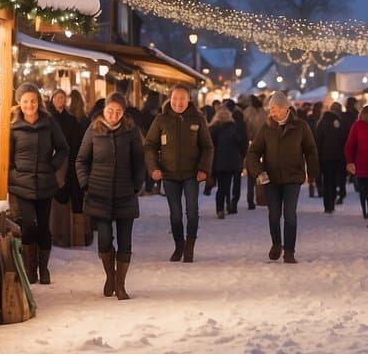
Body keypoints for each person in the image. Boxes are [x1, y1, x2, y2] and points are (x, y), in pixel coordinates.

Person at [77, 92, 146, 299]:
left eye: (118, 111)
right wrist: (86, 183)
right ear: (104, 110)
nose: (114, 114)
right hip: (99, 194)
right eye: (110, 110)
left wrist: (136, 184)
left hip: (126, 193)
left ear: (123, 112)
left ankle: (121, 284)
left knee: (125, 241)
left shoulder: (131, 131)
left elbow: (139, 161)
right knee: (105, 240)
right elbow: (81, 159)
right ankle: (110, 275)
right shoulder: (94, 129)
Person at [245, 91, 320, 262]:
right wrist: (259, 171)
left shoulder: (300, 127)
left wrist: (313, 173)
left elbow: (311, 150)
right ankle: (276, 244)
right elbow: (253, 152)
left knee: (290, 213)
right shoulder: (266, 128)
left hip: (293, 177)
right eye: (270, 108)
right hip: (271, 178)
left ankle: (289, 251)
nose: (272, 112)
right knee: (274, 214)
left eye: (275, 108)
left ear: (286, 108)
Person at [7, 83, 69, 285]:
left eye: (33, 101)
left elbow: (62, 148)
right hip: (21, 184)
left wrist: (52, 166)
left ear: (38, 102)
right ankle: (30, 268)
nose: (29, 105)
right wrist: (12, 172)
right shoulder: (13, 126)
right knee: (27, 226)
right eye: (25, 101)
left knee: (43, 226)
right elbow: (7, 155)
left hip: (44, 182)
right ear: (19, 103)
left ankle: (44, 268)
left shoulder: (49, 123)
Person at [144, 85, 214, 263]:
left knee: (192, 211)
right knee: (175, 214)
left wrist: (204, 169)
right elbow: (150, 145)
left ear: (188, 100)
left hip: (192, 174)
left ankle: (189, 247)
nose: (178, 103)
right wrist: (154, 168)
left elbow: (207, 147)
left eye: (182, 99)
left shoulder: (197, 118)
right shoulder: (161, 119)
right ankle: (179, 245)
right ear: (170, 99)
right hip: (169, 174)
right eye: (175, 98)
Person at [51, 89, 87, 218]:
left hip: (70, 158)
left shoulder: (71, 120)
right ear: (53, 99)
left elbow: (77, 140)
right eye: (57, 97)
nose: (60, 100)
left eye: (62, 97)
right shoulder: (49, 118)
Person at [208, 104, 246, 218]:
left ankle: (220, 208)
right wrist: (241, 156)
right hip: (232, 161)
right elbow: (241, 144)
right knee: (228, 184)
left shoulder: (213, 129)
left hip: (218, 161)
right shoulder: (234, 128)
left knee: (221, 186)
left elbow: (209, 147)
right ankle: (229, 203)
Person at [312, 101, 348, 214]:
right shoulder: (339, 123)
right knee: (336, 180)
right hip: (338, 156)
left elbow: (317, 141)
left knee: (327, 181)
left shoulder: (321, 123)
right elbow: (344, 139)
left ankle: (328, 205)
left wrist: (317, 156)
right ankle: (335, 198)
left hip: (325, 157)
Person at [241, 94, 267, 209]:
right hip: (264, 146)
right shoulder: (264, 113)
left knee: (251, 175)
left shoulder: (247, 112)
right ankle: (262, 197)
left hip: (251, 146)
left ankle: (250, 200)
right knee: (262, 172)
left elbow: (246, 130)